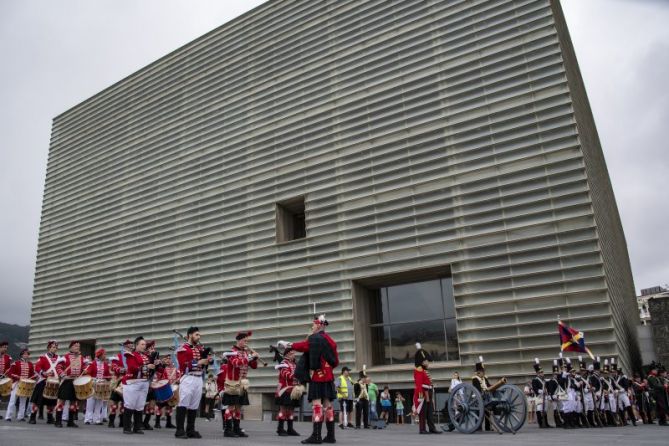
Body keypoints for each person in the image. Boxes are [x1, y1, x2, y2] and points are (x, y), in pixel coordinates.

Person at [278, 314, 339, 444]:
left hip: (318, 375)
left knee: (317, 405)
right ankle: (330, 436)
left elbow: (304, 346)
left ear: (319, 325)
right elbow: (336, 361)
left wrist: (288, 344)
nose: (312, 327)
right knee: (328, 405)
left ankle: (316, 436)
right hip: (328, 376)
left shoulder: (315, 338)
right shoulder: (330, 340)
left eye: (313, 324)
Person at [175, 326, 212, 438]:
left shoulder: (199, 348)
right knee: (183, 403)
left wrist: (208, 360)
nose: (198, 337)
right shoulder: (183, 348)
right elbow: (183, 364)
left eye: (199, 335)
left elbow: (205, 362)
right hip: (188, 377)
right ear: (190, 335)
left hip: (198, 378)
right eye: (196, 335)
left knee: (194, 405)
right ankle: (180, 430)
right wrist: (199, 362)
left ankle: (190, 429)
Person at [221, 330, 258, 438]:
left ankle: (236, 429)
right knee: (231, 407)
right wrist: (250, 357)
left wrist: (254, 358)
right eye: (244, 341)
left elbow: (254, 366)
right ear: (239, 340)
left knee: (238, 408)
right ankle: (228, 429)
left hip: (243, 383)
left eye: (247, 341)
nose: (246, 343)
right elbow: (236, 363)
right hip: (233, 382)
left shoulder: (246, 352)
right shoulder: (231, 352)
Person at [121, 336, 154, 434]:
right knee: (130, 404)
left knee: (140, 405)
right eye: (142, 344)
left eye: (145, 344)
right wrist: (146, 366)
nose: (144, 346)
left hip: (144, 382)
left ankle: (137, 427)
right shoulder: (130, 355)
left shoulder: (147, 356)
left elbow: (153, 369)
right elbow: (132, 368)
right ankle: (126, 427)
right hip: (132, 382)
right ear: (136, 345)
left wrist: (156, 364)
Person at [54, 340, 85, 428]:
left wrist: (85, 370)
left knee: (73, 402)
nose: (77, 348)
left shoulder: (81, 358)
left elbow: (84, 368)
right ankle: (58, 421)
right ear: (71, 347)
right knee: (62, 401)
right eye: (75, 346)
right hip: (67, 381)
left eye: (78, 346)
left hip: (76, 382)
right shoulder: (65, 357)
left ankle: (70, 421)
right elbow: (58, 367)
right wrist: (63, 375)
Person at [412, 343, 441, 434]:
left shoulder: (424, 370)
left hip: (428, 392)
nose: (428, 362)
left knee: (429, 412)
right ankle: (422, 429)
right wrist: (421, 396)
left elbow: (427, 382)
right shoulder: (419, 370)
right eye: (426, 361)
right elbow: (419, 384)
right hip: (423, 394)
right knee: (423, 412)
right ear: (422, 361)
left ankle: (432, 428)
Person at [274, 346, 301, 437]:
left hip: (293, 389)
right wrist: (297, 374)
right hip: (284, 389)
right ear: (288, 354)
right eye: (293, 353)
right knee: (283, 409)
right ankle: (280, 429)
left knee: (291, 409)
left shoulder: (294, 363)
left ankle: (290, 428)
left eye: (294, 353)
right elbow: (286, 375)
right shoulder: (283, 363)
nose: (294, 355)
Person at [30, 340, 59, 425]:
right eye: (53, 347)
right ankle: (32, 417)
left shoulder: (59, 358)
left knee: (51, 401)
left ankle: (50, 418)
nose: (55, 349)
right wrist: (44, 373)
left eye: (56, 347)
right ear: (49, 348)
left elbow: (61, 367)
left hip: (53, 381)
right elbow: (37, 367)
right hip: (43, 381)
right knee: (37, 401)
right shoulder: (43, 358)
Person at [4, 348, 34, 422]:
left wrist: (32, 378)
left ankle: (20, 416)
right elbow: (10, 373)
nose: (26, 355)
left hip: (25, 384)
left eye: (27, 354)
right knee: (12, 400)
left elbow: (32, 374)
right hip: (17, 383)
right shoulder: (16, 363)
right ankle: (8, 416)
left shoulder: (30, 364)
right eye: (24, 354)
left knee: (23, 401)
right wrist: (18, 377)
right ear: (21, 355)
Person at [108, 339, 133, 428]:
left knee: (124, 403)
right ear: (124, 347)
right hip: (118, 381)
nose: (130, 349)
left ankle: (122, 421)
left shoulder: (132, 357)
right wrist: (121, 369)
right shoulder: (118, 356)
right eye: (129, 347)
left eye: (131, 347)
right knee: (114, 402)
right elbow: (113, 367)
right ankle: (111, 421)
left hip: (128, 382)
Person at [84, 348, 111, 425]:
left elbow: (107, 374)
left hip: (101, 386)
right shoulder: (92, 363)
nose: (105, 356)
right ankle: (88, 419)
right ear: (100, 355)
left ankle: (97, 419)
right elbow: (88, 373)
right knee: (90, 402)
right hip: (92, 384)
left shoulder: (105, 364)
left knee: (99, 402)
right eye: (104, 354)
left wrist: (108, 378)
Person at [154, 353, 180, 429]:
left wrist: (178, 380)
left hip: (171, 388)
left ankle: (168, 423)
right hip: (163, 388)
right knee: (159, 405)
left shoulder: (175, 369)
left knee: (170, 406)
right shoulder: (161, 368)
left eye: (169, 359)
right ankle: (157, 422)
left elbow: (179, 376)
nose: (168, 360)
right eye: (166, 359)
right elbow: (157, 376)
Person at [612, 359, 636, 426]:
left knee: (628, 405)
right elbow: (613, 387)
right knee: (620, 408)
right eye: (613, 372)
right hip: (617, 395)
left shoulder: (623, 377)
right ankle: (623, 421)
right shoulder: (614, 379)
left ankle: (633, 420)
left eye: (614, 371)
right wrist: (614, 391)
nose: (613, 373)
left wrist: (619, 390)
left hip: (623, 394)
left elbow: (626, 387)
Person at [471, 356, 492, 432]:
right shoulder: (475, 379)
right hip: (477, 397)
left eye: (483, 371)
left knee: (487, 412)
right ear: (478, 372)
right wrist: (484, 391)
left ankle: (488, 427)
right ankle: (478, 427)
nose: (484, 373)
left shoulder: (485, 378)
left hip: (485, 395)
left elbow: (489, 385)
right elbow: (477, 388)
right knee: (478, 413)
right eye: (482, 371)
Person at [531, 358, 549, 428]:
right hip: (539, 396)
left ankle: (546, 423)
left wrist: (546, 391)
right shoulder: (535, 380)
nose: (542, 373)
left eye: (542, 372)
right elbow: (535, 389)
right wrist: (542, 391)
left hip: (545, 396)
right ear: (537, 373)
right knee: (539, 409)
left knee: (545, 410)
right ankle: (541, 424)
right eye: (541, 372)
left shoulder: (544, 380)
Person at [0, 340, 11, 420]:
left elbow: (8, 368)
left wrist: (8, 370)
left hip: (2, 378)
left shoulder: (7, 357)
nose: (5, 349)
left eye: (6, 347)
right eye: (4, 347)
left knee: (0, 396)